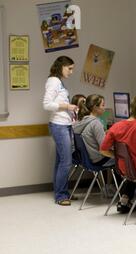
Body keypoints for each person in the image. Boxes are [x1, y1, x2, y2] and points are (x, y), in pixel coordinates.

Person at [43, 56, 78, 206]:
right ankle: (61, 195)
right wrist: (67, 106)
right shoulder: (54, 82)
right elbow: (46, 104)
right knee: (66, 162)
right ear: (61, 66)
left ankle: (62, 192)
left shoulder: (57, 81)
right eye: (69, 68)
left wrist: (70, 111)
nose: (71, 71)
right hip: (59, 125)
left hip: (64, 124)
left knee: (60, 161)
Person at [73, 94, 114, 167]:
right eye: (103, 105)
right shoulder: (96, 123)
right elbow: (104, 150)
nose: (104, 108)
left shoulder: (81, 120)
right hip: (99, 160)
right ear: (95, 107)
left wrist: (104, 133)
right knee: (125, 158)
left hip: (87, 160)